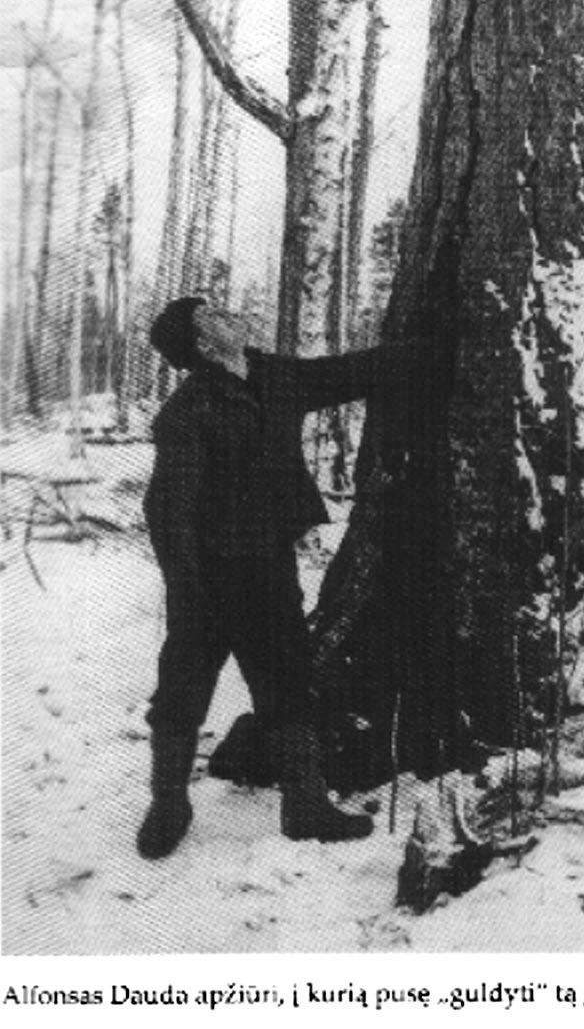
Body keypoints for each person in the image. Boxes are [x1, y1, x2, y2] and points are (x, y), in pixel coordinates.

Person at [138, 295, 403, 859]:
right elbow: (168, 510)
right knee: (183, 686)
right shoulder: (188, 411)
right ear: (204, 344)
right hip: (206, 577)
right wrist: (186, 585)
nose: (228, 314)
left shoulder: (273, 377)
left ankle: (305, 807)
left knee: (288, 679)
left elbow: (346, 373)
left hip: (267, 566)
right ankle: (168, 803)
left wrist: (434, 348)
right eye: (212, 315)